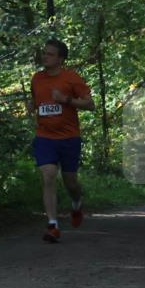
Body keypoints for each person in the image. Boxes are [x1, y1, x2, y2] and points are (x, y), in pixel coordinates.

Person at [30, 39, 94, 243]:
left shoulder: (71, 78)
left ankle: (77, 203)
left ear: (60, 58)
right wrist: (31, 107)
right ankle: (52, 225)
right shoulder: (37, 78)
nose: (45, 56)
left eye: (50, 54)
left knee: (70, 182)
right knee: (48, 176)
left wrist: (66, 100)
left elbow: (90, 105)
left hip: (69, 138)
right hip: (45, 137)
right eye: (44, 53)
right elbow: (36, 101)